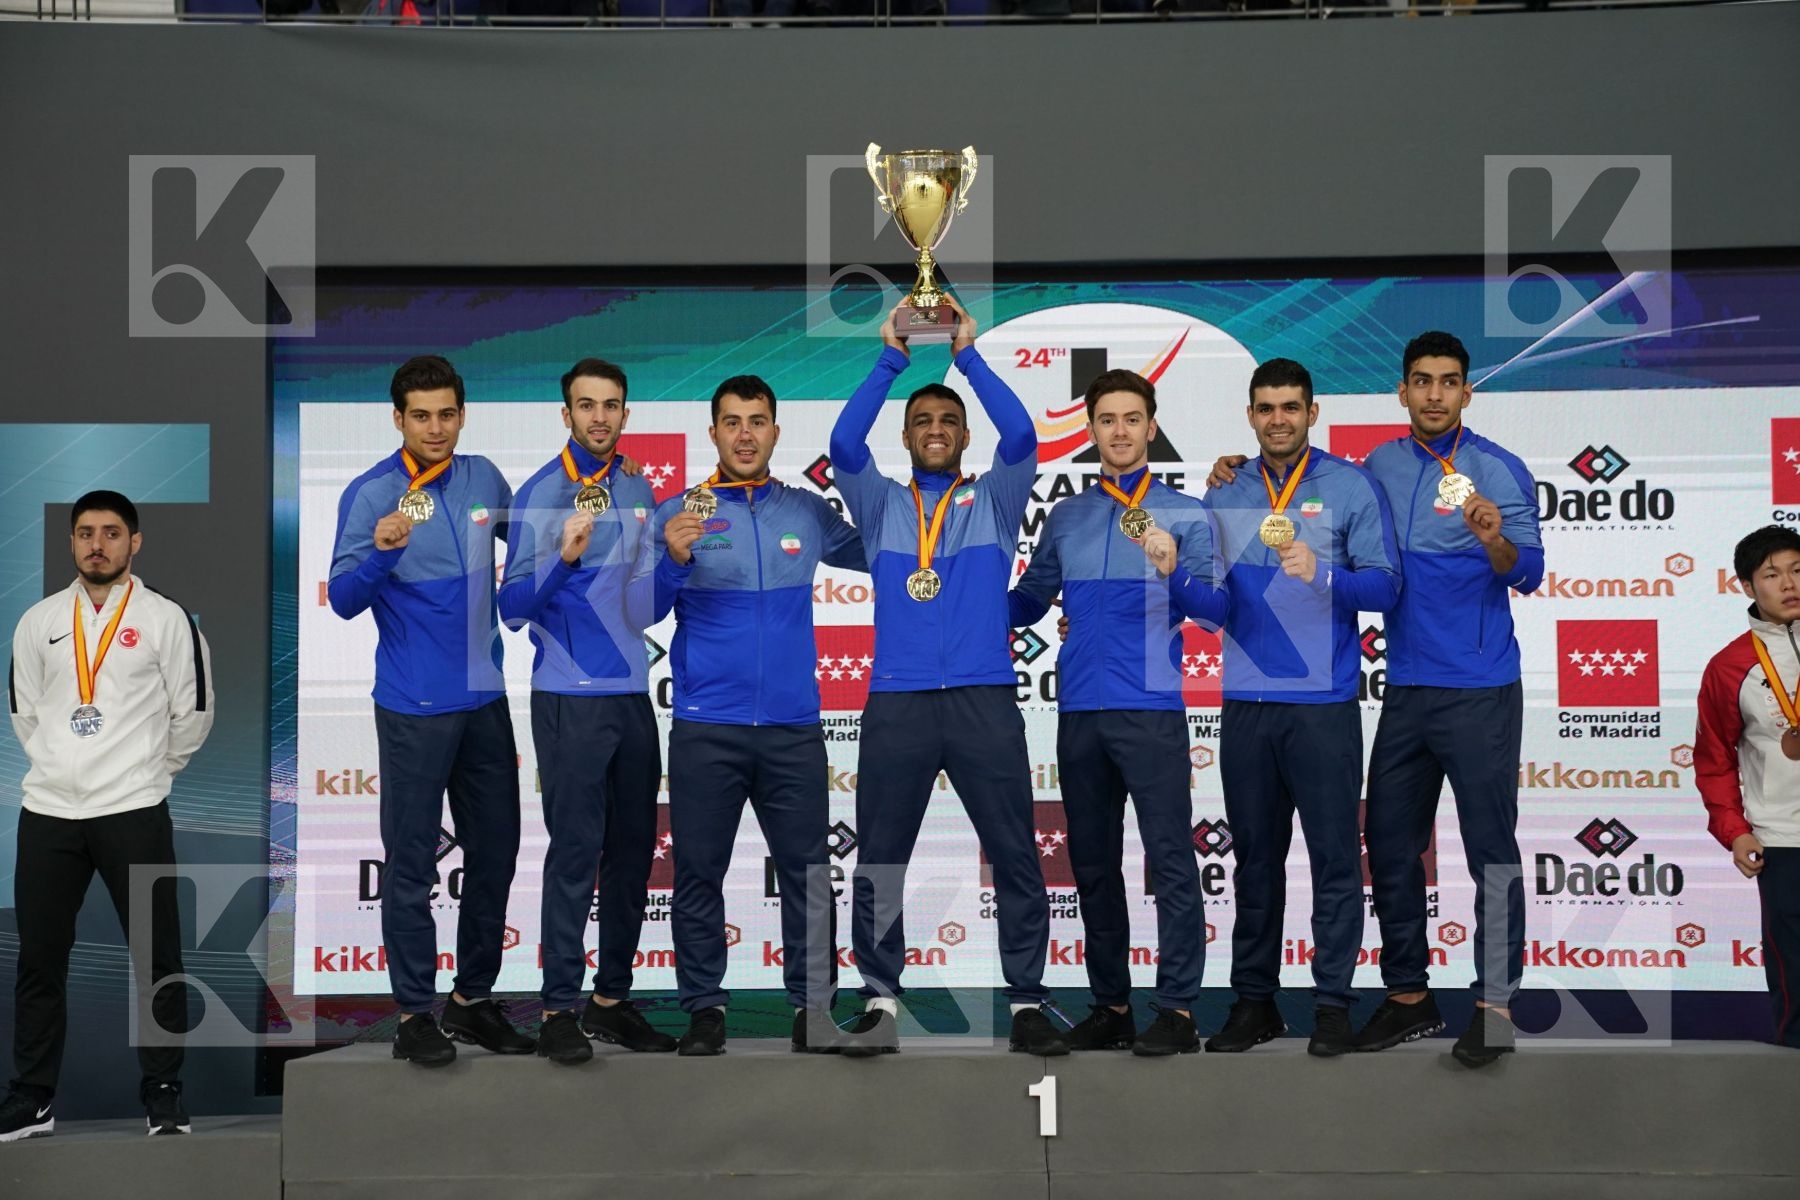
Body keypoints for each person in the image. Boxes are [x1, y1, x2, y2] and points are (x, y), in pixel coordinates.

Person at [829, 297, 1067, 1058]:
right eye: (923, 422)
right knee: (880, 856)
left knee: (1015, 849)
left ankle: (1027, 1000)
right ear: (906, 436)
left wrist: (967, 355)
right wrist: (891, 357)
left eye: (949, 422)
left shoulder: (994, 500)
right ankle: (880, 1002)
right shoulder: (878, 506)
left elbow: (1025, 435)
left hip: (982, 696)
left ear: (965, 437)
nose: (936, 430)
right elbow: (841, 442)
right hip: (897, 699)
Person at [1007, 369, 1227, 1056]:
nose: (1121, 431)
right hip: (1080, 714)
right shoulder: (1068, 516)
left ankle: (1178, 1010)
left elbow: (1218, 614)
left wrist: (1174, 570)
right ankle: (1112, 1005)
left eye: (1133, 418)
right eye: (1107, 420)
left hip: (1151, 713)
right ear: (1092, 430)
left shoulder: (1186, 513)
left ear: (1151, 427)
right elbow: (1029, 601)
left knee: (1168, 861)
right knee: (1094, 865)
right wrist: (961, 592)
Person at [652, 374, 868, 1056]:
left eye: (757, 421)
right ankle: (705, 1010)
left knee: (809, 875)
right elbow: (645, 611)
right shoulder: (677, 512)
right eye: (732, 422)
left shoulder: (807, 512)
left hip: (792, 730)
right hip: (705, 728)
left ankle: (813, 1010)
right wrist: (674, 558)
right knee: (697, 874)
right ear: (712, 433)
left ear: (775, 431)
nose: (745, 433)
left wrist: (934, 512)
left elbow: (886, 555)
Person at [327, 354, 533, 1066]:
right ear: (398, 419)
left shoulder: (482, 478)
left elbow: (529, 543)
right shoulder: (370, 493)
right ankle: (416, 1013)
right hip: (413, 707)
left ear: (462, 413)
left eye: (447, 413)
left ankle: (471, 1002)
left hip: (485, 701)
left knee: (498, 854)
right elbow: (347, 600)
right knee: (411, 865)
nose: (436, 427)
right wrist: (382, 552)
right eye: (421, 415)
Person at [1200, 358, 1401, 1057]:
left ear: (1313, 412)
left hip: (1323, 705)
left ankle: (1334, 1003)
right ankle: (1254, 1003)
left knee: (1335, 860)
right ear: (1250, 416)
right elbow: (1209, 593)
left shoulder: (1351, 486)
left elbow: (1385, 589)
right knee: (1254, 862)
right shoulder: (1223, 490)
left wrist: (1327, 575)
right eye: (1265, 407)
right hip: (1247, 702)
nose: (1278, 418)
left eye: (1291, 406)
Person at [1, 492, 213, 1140]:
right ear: (71, 543)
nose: (98, 544)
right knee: (40, 960)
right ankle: (33, 1097)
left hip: (134, 809)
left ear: (135, 542)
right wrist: (66, 767)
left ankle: (164, 1092)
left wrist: (147, 773)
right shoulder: (38, 621)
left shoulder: (166, 619)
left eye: (112, 533)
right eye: (86, 533)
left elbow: (194, 712)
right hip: (50, 811)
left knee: (157, 957)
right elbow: (25, 713)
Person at [1355, 331, 1541, 1067]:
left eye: (1449, 381)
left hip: (1480, 690)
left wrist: (1495, 538)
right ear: (1402, 392)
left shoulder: (1500, 468)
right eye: (1422, 381)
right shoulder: (1374, 466)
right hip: (1406, 690)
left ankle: (1495, 1007)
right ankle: (1409, 998)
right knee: (1391, 846)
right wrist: (1234, 471)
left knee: (1491, 850)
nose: (1434, 393)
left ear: (1468, 393)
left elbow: (1525, 573)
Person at [499, 358, 677, 1064]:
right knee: (576, 854)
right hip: (569, 702)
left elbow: (644, 607)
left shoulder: (637, 485)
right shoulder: (541, 493)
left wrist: (678, 563)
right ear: (565, 414)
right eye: (586, 405)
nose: (599, 417)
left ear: (625, 414)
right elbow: (513, 610)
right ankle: (557, 1009)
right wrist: (564, 558)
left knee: (633, 854)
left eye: (611, 406)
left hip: (631, 699)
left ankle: (610, 1002)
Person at [1695, 524, 1800, 1050]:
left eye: (1798, 570)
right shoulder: (1729, 666)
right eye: (1772, 573)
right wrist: (1735, 832)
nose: (1789, 583)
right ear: (1746, 586)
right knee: (1793, 974)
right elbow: (1714, 762)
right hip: (1782, 841)